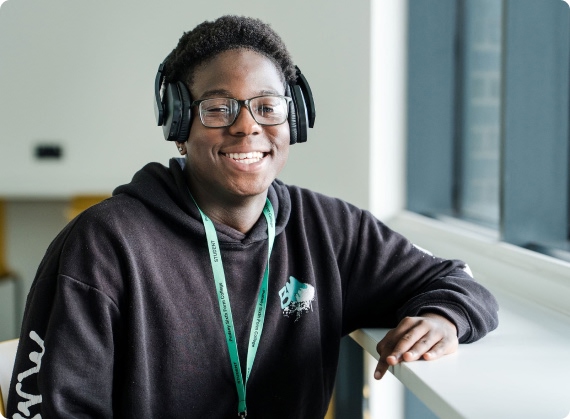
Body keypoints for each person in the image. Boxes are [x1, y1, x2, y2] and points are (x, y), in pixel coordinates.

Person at [7, 15, 498, 419]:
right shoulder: (103, 244)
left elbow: (458, 282)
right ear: (180, 125)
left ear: (294, 121)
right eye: (219, 109)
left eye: (268, 107)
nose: (247, 127)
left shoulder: (326, 229)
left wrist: (444, 317)